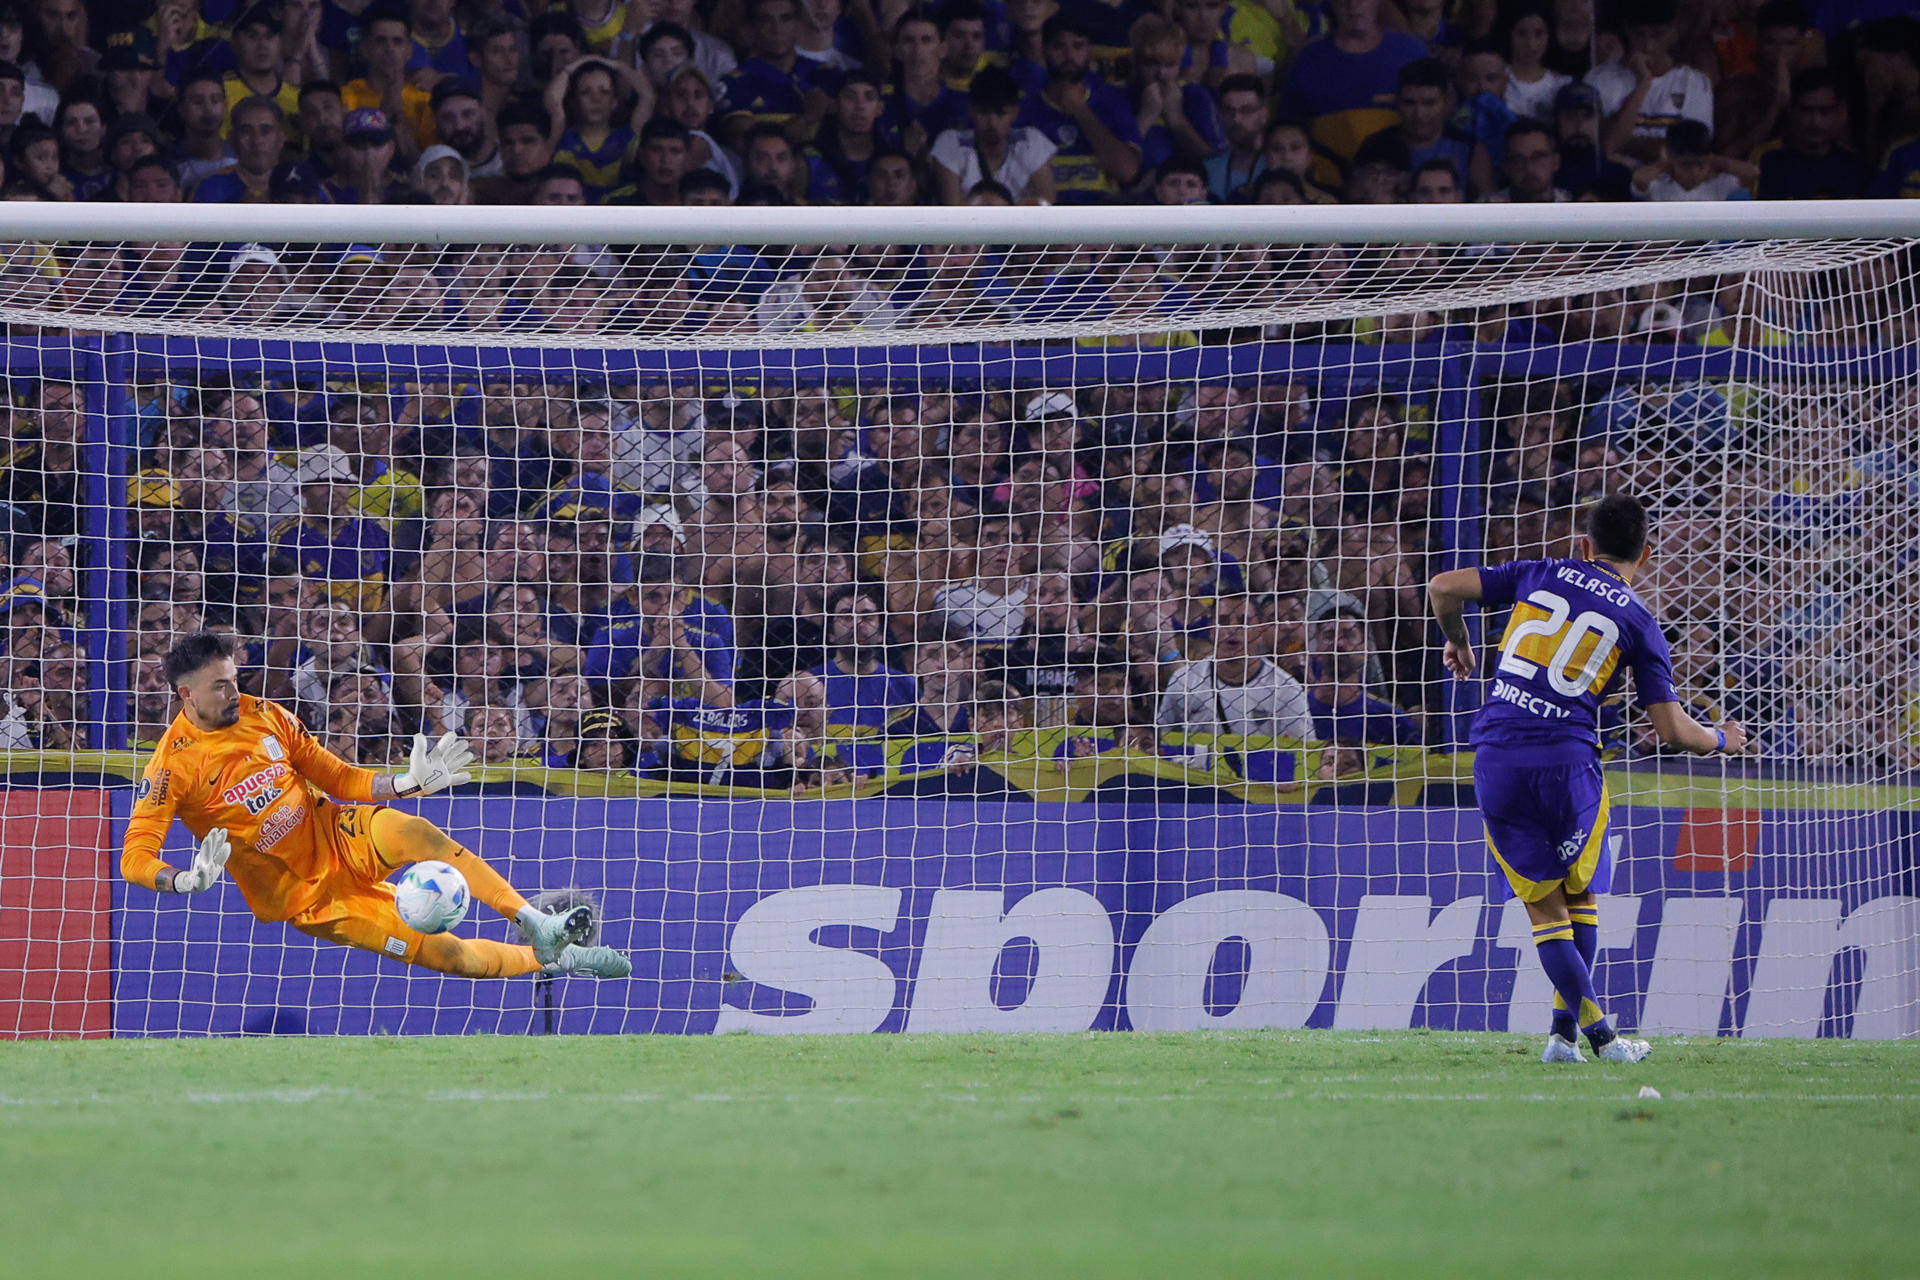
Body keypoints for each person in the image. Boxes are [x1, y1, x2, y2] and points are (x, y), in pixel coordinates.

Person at [1427, 494, 1748, 1066]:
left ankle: (1561, 1037)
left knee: (1550, 908)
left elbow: (1443, 586)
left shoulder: (1539, 572)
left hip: (1498, 755)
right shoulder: (1640, 621)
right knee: (1580, 895)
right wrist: (1724, 739)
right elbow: (1673, 730)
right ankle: (1603, 1037)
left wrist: (1459, 640)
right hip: (1570, 764)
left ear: (1584, 545)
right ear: (1645, 554)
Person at [122, 631, 631, 980]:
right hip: (309, 897)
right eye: (221, 686)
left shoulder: (267, 715)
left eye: (235, 678)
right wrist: (181, 880)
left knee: (416, 833)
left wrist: (406, 783)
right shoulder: (171, 767)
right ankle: (560, 959)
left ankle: (533, 920)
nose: (236, 691)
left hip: (337, 831)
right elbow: (134, 857)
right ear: (186, 694)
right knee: (454, 959)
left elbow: (338, 776)